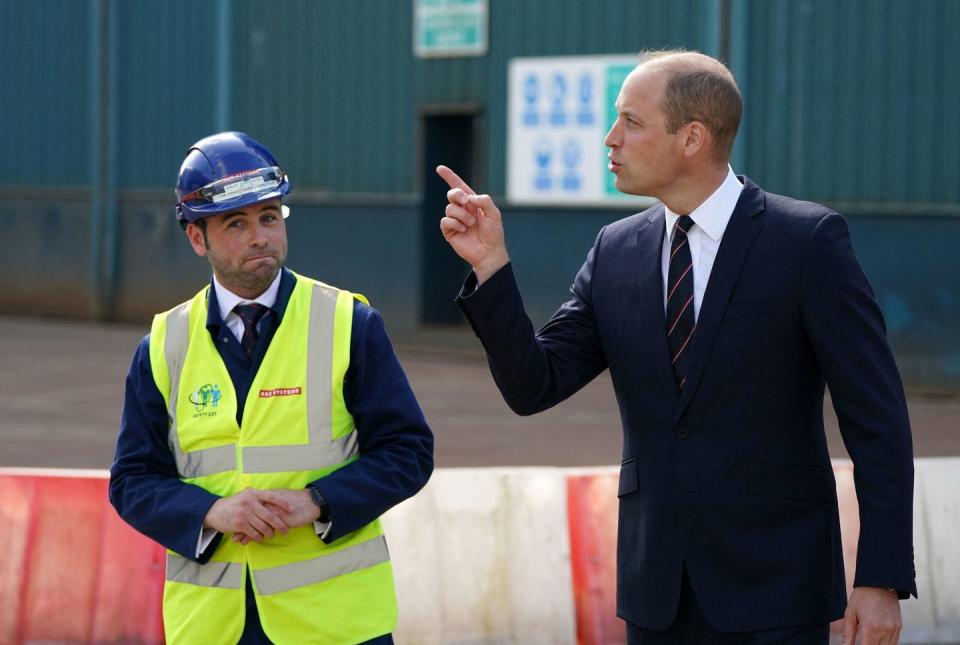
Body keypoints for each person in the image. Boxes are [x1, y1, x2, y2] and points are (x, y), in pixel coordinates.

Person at [438, 50, 915, 644]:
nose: (610, 138)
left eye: (631, 122)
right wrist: (490, 265)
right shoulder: (616, 249)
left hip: (777, 590)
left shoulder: (806, 242)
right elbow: (535, 384)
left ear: (692, 137)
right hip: (655, 592)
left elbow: (877, 419)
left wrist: (882, 578)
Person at [110, 131, 433, 644]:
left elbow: (408, 452)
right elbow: (132, 480)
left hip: (335, 625)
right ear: (198, 238)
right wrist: (211, 512)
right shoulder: (162, 346)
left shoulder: (350, 324)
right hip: (215, 627)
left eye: (269, 216)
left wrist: (318, 501)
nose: (260, 235)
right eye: (236, 223)